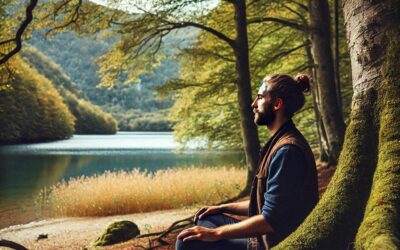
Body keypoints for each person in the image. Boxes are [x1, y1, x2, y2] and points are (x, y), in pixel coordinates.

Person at [176, 74, 319, 250]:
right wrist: (223, 207)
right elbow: (267, 203)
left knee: (186, 242)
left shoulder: (287, 151)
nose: (253, 104)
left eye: (259, 98)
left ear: (276, 104)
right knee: (207, 218)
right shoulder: (280, 143)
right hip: (266, 237)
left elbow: (270, 220)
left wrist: (215, 234)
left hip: (275, 244)